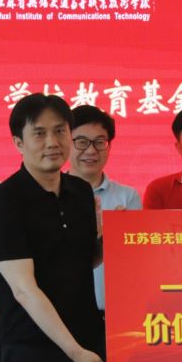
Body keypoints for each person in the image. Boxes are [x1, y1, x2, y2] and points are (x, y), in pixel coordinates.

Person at [0, 93, 109, 362]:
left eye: (60, 130)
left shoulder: (81, 191)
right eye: (39, 133)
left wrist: (110, 237)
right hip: (33, 355)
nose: (52, 142)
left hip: (89, 347)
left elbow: (83, 261)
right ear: (19, 143)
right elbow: (24, 289)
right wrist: (74, 352)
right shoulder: (5, 201)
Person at [69, 105, 141, 314]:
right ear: (66, 143)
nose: (91, 151)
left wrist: (120, 236)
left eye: (100, 142)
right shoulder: (49, 195)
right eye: (82, 142)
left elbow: (136, 260)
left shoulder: (127, 197)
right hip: (64, 315)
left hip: (115, 313)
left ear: (109, 147)